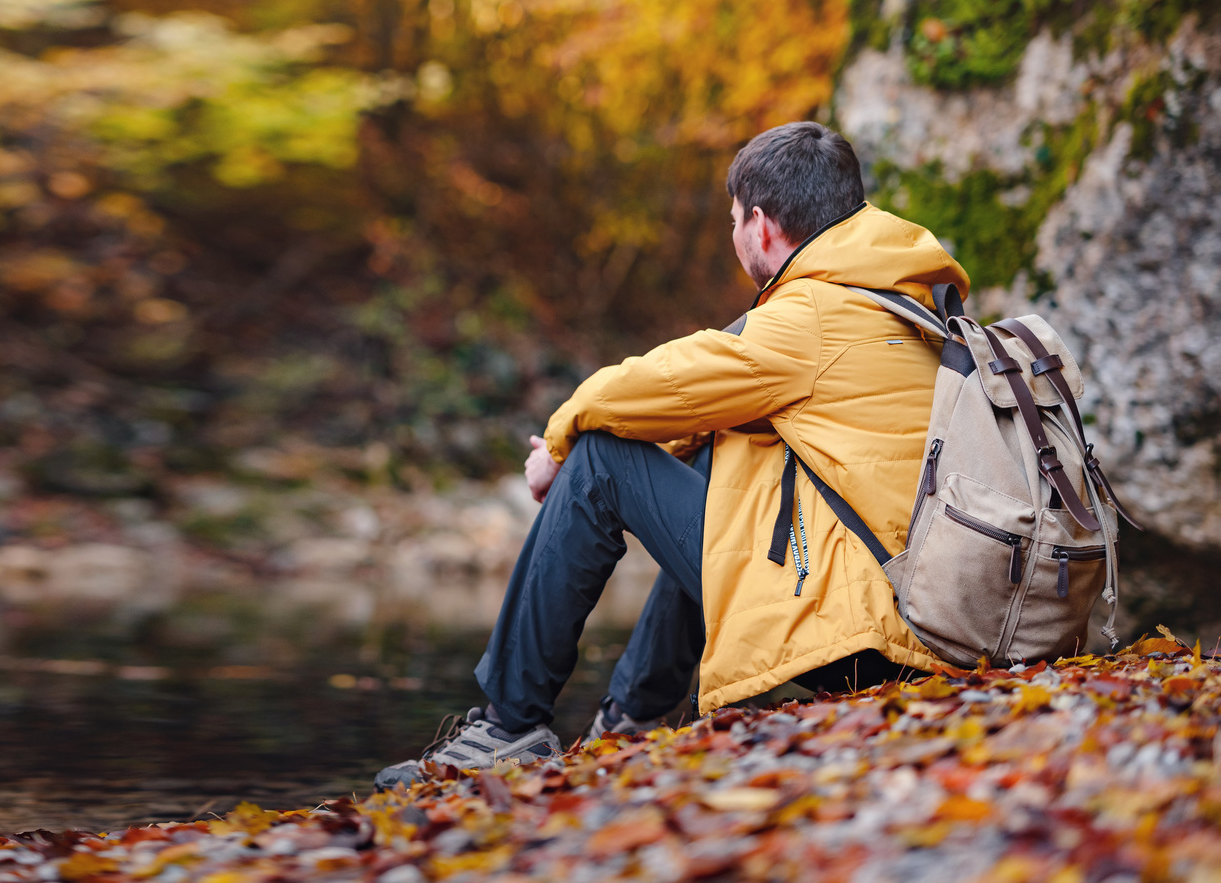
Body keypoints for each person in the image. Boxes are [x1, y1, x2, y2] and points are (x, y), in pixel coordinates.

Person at [375, 121, 966, 789]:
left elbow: (665, 378)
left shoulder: (809, 316)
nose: (735, 235)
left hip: (866, 640)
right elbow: (702, 409)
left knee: (599, 459)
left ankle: (507, 726)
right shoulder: (901, 301)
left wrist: (562, 441)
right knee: (725, 462)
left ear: (762, 227)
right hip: (922, 623)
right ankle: (635, 718)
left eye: (734, 221)